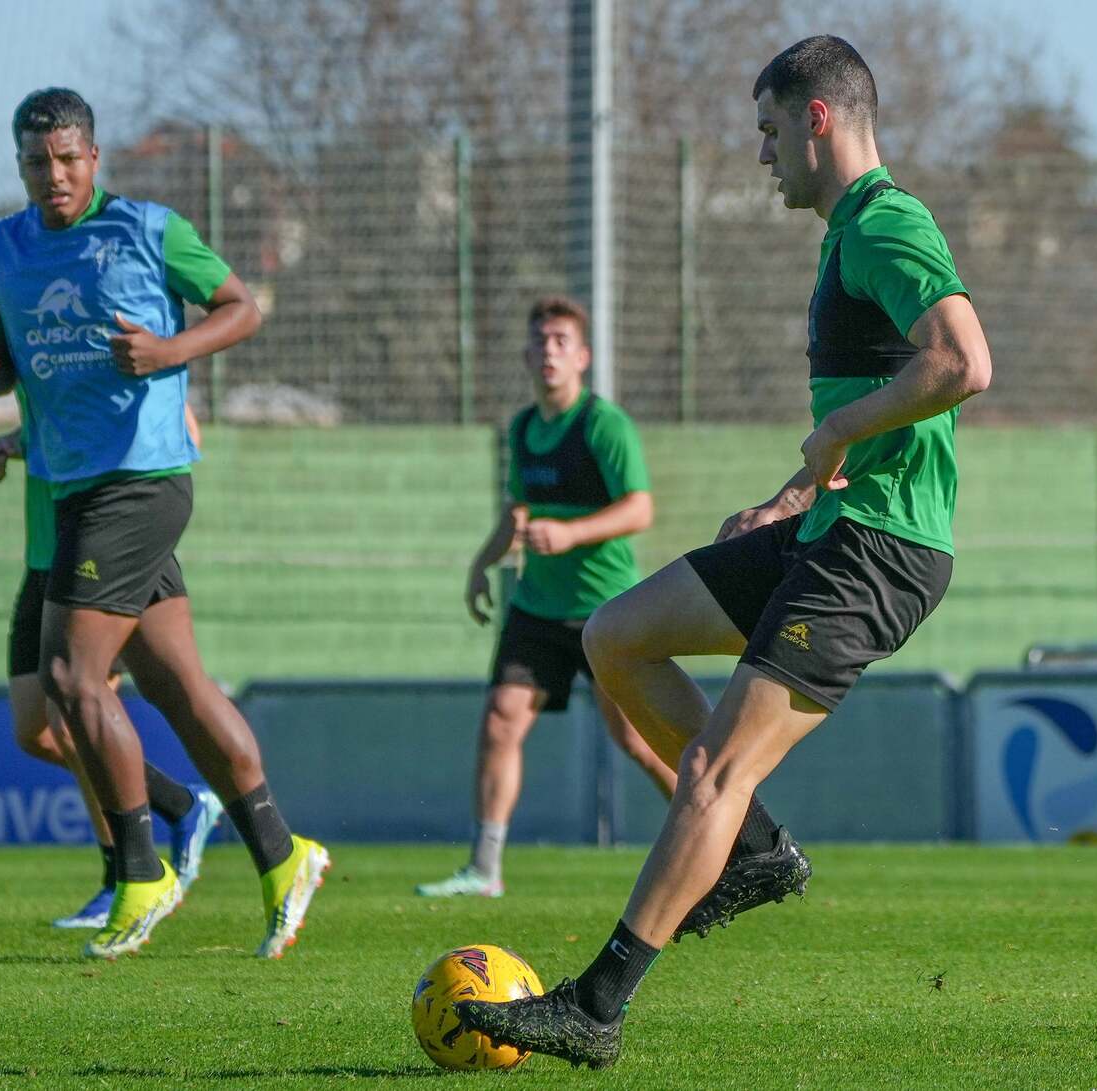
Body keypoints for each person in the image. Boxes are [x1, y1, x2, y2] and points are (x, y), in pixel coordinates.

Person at [454, 35, 991, 1067]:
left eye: (767, 133)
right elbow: (875, 408)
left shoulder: (887, 223)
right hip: (832, 523)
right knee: (618, 636)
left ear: (816, 120)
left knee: (711, 765)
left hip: (880, 551)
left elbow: (963, 362)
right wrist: (794, 489)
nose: (762, 157)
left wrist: (832, 440)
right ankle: (750, 851)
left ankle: (596, 1005)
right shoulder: (845, 239)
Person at [0, 87, 327, 960]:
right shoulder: (0, 249)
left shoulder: (150, 230)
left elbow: (243, 306)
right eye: (38, 161)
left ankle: (141, 869)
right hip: (69, 486)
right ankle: (283, 853)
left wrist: (171, 350)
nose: (55, 174)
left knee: (71, 677)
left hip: (142, 480)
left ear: (94, 157)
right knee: (176, 688)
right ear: (20, 165)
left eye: (69, 158)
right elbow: (6, 359)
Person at [417, 297, 675, 899]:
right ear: (527, 355)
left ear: (582, 357)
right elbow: (517, 513)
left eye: (562, 340)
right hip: (536, 607)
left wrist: (570, 533)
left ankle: (724, 845)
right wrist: (482, 566)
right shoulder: (524, 428)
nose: (549, 350)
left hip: (605, 611)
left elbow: (640, 508)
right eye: (540, 340)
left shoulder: (604, 425)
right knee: (501, 722)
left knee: (637, 739)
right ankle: (484, 869)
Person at [0, 404, 221, 930]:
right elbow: (53, 422)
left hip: (98, 559)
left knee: (72, 723)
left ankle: (124, 877)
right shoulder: (36, 353)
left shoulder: (102, 336)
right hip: (42, 558)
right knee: (34, 731)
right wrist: (16, 441)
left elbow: (182, 430)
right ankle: (182, 803)